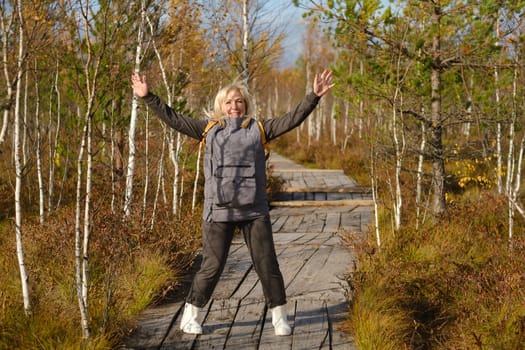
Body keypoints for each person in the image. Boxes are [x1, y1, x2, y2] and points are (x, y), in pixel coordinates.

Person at [131, 69, 334, 336]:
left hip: (254, 210)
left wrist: (313, 97)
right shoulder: (208, 129)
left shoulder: (259, 128)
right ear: (220, 107)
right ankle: (190, 316)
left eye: (238, 101)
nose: (234, 106)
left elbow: (292, 120)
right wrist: (148, 97)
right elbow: (173, 118)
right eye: (228, 102)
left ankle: (279, 318)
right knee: (212, 266)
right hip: (218, 211)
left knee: (266, 263)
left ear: (245, 105)